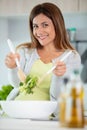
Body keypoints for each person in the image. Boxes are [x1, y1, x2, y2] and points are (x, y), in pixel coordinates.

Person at [5, 2, 81, 100]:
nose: (39, 32)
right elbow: (17, 85)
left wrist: (58, 77)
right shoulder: (25, 51)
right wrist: (12, 68)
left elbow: (60, 97)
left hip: (46, 114)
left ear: (57, 25)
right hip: (17, 109)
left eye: (45, 25)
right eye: (35, 26)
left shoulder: (71, 57)